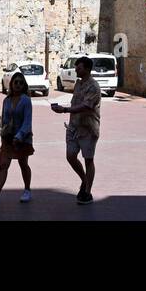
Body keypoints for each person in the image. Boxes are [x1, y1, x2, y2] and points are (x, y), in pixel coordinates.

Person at [50, 56, 101, 205]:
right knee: (70, 156)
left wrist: (65, 110)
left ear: (86, 69)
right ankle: (84, 180)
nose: (76, 70)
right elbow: (76, 102)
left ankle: (87, 191)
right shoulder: (78, 84)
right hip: (73, 127)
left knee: (88, 159)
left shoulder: (93, 87)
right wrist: (65, 108)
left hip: (88, 129)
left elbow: (86, 106)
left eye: (79, 68)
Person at [0, 71, 34, 205]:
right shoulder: (6, 100)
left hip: (22, 138)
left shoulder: (26, 101)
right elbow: (4, 120)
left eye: (20, 83)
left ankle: (27, 190)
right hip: (8, 138)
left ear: (24, 85)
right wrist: (3, 134)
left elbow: (27, 122)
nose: (18, 85)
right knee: (3, 165)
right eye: (15, 82)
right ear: (11, 84)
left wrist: (20, 136)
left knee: (23, 164)